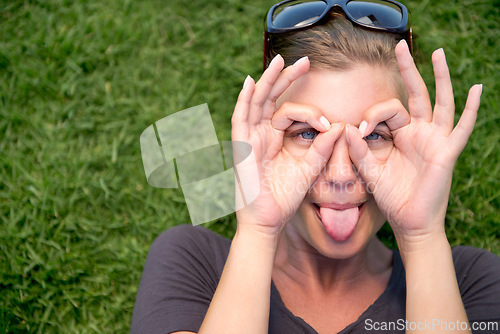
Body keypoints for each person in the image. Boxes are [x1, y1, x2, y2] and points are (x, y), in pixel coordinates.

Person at [131, 1, 500, 333]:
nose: (341, 175)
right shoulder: (193, 262)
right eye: (307, 134)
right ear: (266, 139)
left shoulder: (471, 281)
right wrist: (258, 230)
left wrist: (422, 239)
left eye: (373, 137)